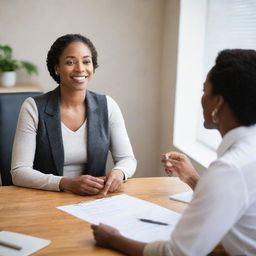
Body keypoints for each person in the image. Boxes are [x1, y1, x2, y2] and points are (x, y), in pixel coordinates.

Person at [91, 49, 256, 255]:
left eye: (204, 91)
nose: (202, 98)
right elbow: (234, 201)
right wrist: (193, 178)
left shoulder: (230, 168)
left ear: (218, 102)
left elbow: (176, 253)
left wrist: (114, 239)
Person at [11, 34, 137, 196]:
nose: (80, 69)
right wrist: (66, 183)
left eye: (86, 61)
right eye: (70, 62)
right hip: (45, 199)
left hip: (95, 199)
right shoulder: (33, 107)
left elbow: (127, 158)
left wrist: (119, 172)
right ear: (57, 67)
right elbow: (19, 172)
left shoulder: (108, 106)